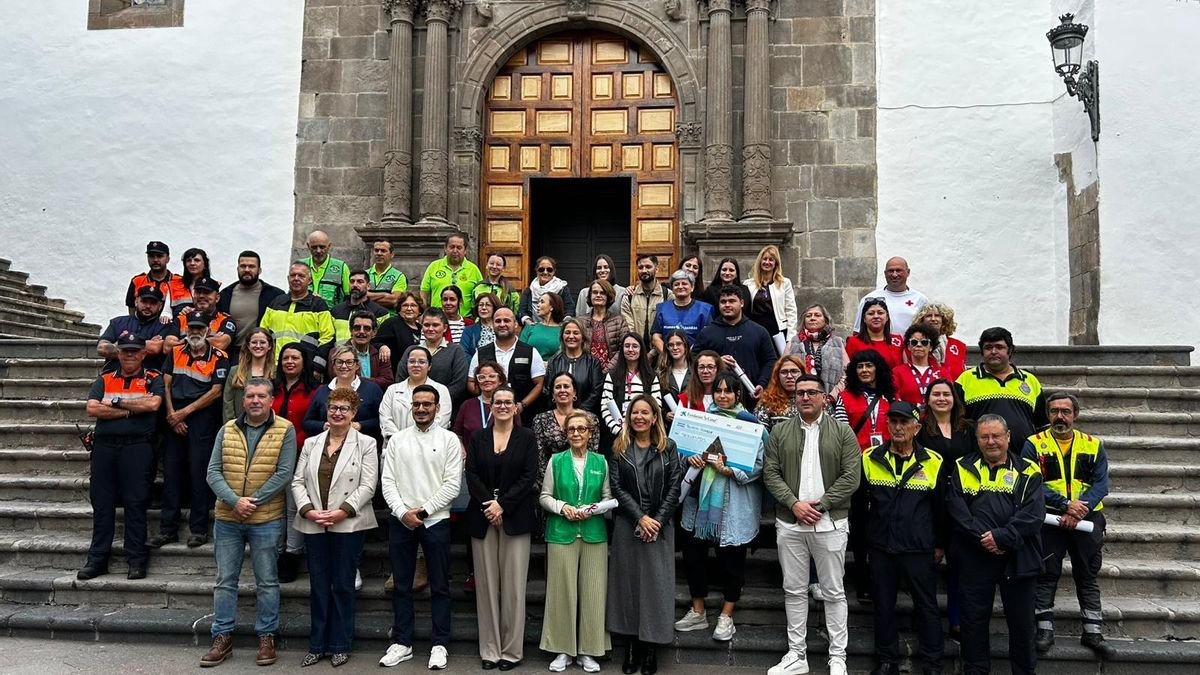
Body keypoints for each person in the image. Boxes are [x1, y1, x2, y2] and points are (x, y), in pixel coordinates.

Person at [764, 375, 861, 675]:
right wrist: (794, 504)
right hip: (790, 523)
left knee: (833, 591)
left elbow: (851, 476)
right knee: (793, 590)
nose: (805, 397)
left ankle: (837, 657)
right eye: (800, 393)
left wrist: (822, 505)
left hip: (830, 522)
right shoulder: (780, 432)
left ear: (824, 397)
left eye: (811, 392)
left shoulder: (843, 432)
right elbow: (771, 474)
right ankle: (797, 655)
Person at [201, 378, 297, 667]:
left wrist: (251, 500)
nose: (255, 401)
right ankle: (222, 637)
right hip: (228, 518)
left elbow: (284, 473)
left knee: (267, 581)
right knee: (224, 581)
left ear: (271, 400)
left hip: (266, 519)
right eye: (250, 396)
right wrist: (235, 501)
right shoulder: (227, 429)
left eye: (261, 396)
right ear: (243, 401)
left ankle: (267, 636)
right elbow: (213, 472)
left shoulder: (285, 429)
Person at [947, 415, 1045, 675]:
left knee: (1022, 624)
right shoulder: (962, 466)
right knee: (973, 622)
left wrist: (1003, 538)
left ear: (1008, 437)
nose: (991, 442)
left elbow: (1033, 515)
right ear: (977, 439)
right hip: (974, 556)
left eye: (996, 436)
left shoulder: (1028, 469)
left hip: (1018, 556)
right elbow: (958, 512)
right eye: (984, 437)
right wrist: (986, 539)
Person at [1022, 392, 1114, 659]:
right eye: (1054, 411)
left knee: (1087, 575)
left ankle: (1093, 632)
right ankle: (1044, 630)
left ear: (1075, 415)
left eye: (1065, 411)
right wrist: (1065, 505)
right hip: (1049, 518)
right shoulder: (1033, 444)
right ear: (1047, 414)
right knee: (1047, 574)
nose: (1059, 416)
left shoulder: (1093, 444)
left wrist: (1079, 508)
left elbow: (1101, 485)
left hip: (1088, 519)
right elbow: (1032, 481)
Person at [675, 372, 766, 642]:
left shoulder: (750, 425)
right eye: (718, 391)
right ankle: (698, 610)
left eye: (728, 391)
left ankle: (727, 615)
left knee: (732, 561)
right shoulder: (701, 421)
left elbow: (758, 465)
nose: (723, 396)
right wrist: (688, 459)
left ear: (738, 394)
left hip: (734, 503)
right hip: (699, 503)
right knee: (693, 556)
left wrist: (730, 471)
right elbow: (679, 452)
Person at [292, 387, 379, 667]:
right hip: (314, 521)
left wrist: (343, 512)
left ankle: (340, 643)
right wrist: (309, 511)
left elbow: (368, 485)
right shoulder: (311, 443)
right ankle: (317, 644)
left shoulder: (365, 443)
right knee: (318, 585)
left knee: (342, 584)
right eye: (333, 408)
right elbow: (297, 481)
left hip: (349, 523)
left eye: (344, 409)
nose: (337, 413)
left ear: (354, 414)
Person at [858, 401, 945, 675]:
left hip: (919, 548)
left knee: (927, 607)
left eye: (904, 422)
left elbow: (941, 508)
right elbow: (860, 507)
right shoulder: (869, 457)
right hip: (882, 546)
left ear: (916, 427)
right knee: (883, 606)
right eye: (893, 421)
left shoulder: (934, 461)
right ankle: (887, 661)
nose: (897, 427)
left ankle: (932, 664)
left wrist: (940, 543)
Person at [379, 385, 462, 670]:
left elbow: (452, 484)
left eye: (427, 404)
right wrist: (403, 512)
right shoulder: (398, 440)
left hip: (435, 520)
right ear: (411, 407)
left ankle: (439, 644)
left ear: (437, 408)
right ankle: (402, 642)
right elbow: (387, 481)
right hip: (401, 521)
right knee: (402, 585)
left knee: (440, 585)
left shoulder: (450, 439)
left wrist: (424, 511)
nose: (422, 409)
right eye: (417, 404)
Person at [606, 395, 682, 675]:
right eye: (634, 412)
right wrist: (640, 517)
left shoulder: (668, 447)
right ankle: (630, 646)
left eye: (645, 412)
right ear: (629, 418)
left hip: (660, 529)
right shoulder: (619, 447)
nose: (639, 417)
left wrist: (657, 521)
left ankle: (650, 649)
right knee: (627, 586)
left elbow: (675, 487)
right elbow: (616, 487)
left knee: (655, 587)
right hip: (629, 525)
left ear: (654, 417)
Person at [465, 386, 539, 670]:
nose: (503, 406)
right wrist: (489, 504)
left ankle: (511, 651)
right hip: (483, 518)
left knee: (513, 588)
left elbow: (529, 475)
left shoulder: (527, 437)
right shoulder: (478, 437)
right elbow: (471, 473)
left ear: (516, 406)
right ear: (491, 406)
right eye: (498, 402)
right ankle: (490, 649)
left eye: (508, 402)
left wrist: (503, 505)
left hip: (515, 518)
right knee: (486, 588)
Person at [79, 335, 163, 581]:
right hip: (104, 449)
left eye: (134, 351)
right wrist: (130, 409)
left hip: (137, 449)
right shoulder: (104, 378)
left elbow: (154, 405)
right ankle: (97, 560)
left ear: (143, 354)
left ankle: (136, 559)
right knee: (102, 504)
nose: (129, 355)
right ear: (118, 353)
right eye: (125, 351)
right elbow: (92, 408)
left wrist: (114, 403)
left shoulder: (153, 378)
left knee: (136, 503)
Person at [540, 410, 611, 673]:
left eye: (582, 429)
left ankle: (589, 651)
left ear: (590, 433)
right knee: (561, 592)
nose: (577, 434)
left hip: (594, 533)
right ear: (566, 434)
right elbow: (545, 496)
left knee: (593, 593)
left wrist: (594, 508)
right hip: (561, 532)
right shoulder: (556, 461)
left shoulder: (601, 461)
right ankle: (562, 649)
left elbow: (608, 498)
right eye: (572, 430)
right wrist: (562, 507)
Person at [151, 313, 230, 549]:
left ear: (207, 330)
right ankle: (168, 529)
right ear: (186, 328)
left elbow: (216, 391)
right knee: (172, 475)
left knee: (199, 474)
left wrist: (184, 414)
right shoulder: (175, 352)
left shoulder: (219, 356)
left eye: (200, 328)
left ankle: (198, 530)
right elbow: (165, 384)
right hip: (173, 415)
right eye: (192, 327)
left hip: (201, 418)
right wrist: (172, 414)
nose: (195, 332)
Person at [834, 349, 896, 601]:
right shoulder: (845, 397)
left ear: (877, 369)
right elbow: (840, 433)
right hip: (858, 466)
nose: (864, 371)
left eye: (869, 366)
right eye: (860, 367)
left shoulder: (891, 397)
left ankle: (885, 576)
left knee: (885, 521)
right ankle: (863, 578)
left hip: (887, 466)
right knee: (860, 524)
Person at [915, 378, 974, 642]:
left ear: (954, 399)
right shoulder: (920, 430)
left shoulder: (968, 429)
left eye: (946, 394)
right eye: (935, 394)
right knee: (930, 562)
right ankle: (927, 623)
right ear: (927, 399)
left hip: (964, 502)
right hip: (929, 502)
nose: (941, 398)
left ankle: (958, 620)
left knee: (960, 566)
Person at [957, 326, 1048, 454]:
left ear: (1010, 350)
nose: (993, 351)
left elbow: (1042, 425)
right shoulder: (965, 380)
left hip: (1023, 460)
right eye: (988, 347)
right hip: (978, 461)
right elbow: (956, 423)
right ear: (982, 352)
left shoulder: (1029, 381)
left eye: (999, 347)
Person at [272, 343, 320, 584]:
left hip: (301, 453)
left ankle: (292, 553)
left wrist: (290, 444)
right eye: (285, 358)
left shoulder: (314, 390)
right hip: (271, 455)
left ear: (304, 362)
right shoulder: (273, 388)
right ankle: (275, 551)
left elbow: (313, 423)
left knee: (294, 506)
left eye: (295, 358)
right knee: (275, 506)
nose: (289, 362)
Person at [693, 285, 778, 398]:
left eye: (732, 301)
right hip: (717, 398)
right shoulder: (707, 333)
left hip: (751, 395)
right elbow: (694, 358)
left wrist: (762, 384)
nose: (727, 305)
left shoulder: (759, 331)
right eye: (723, 301)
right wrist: (716, 362)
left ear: (742, 303)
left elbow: (770, 360)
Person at [469, 307, 545, 422]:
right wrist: (486, 400)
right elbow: (470, 382)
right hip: (488, 416)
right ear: (493, 324)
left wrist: (522, 405)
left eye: (507, 320)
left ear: (515, 324)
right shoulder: (480, 353)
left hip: (523, 417)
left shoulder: (530, 352)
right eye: (498, 321)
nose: (502, 324)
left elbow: (539, 384)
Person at [260, 262, 336, 374]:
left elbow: (327, 337)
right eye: (293, 275)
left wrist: (317, 366)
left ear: (309, 280)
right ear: (288, 278)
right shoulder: (276, 302)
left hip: (305, 369)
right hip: (274, 366)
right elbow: (263, 332)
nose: (296, 278)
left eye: (301, 276)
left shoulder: (318, 305)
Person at [303, 344, 384, 442]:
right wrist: (324, 426)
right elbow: (307, 423)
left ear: (357, 365)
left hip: (362, 446)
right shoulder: (322, 391)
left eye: (349, 362)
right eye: (339, 362)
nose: (344, 366)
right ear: (333, 365)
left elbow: (382, 420)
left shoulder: (372, 389)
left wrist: (360, 425)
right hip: (327, 445)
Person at [217, 250, 285, 356]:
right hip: (232, 354)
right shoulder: (225, 295)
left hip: (262, 353)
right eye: (243, 266)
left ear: (259, 270)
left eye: (251, 266)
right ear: (237, 269)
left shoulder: (275, 295)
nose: (247, 270)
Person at [380, 345, 453, 438]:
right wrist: (400, 441)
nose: (416, 365)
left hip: (430, 445)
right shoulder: (392, 390)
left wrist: (418, 440)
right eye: (412, 361)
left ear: (429, 366)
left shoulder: (441, 390)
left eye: (422, 362)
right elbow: (385, 419)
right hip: (396, 446)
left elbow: (442, 420)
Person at [601, 333, 662, 440]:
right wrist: (618, 430)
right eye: (627, 346)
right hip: (619, 435)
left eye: (635, 346)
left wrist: (645, 430)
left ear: (641, 350)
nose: (630, 349)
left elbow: (657, 406)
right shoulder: (612, 375)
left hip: (645, 434)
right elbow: (605, 405)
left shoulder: (651, 376)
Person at [97, 285, 172, 373]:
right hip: (113, 375)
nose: (148, 306)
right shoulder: (117, 322)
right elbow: (101, 348)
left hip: (149, 379)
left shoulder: (164, 325)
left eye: (153, 303)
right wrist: (145, 344)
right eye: (144, 301)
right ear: (136, 301)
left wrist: (120, 344)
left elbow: (154, 348)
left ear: (160, 306)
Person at [851, 256, 929, 333]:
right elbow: (857, 332)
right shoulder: (869, 299)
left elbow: (929, 330)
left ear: (908, 272)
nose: (894, 275)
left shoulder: (920, 299)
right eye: (891, 271)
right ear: (885, 273)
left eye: (898, 270)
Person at [785, 303, 847, 399]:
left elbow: (847, 374)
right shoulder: (793, 342)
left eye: (817, 315)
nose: (812, 318)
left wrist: (832, 396)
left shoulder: (837, 342)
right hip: (800, 400)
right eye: (808, 316)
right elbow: (783, 371)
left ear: (825, 320)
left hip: (830, 401)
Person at [413, 308, 469, 411]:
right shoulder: (411, 351)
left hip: (445, 408)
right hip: (414, 407)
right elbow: (401, 380)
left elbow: (459, 384)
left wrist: (433, 402)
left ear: (445, 328)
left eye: (435, 325)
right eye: (426, 325)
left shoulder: (456, 351)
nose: (430, 329)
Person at [544, 318, 604, 414]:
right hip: (558, 414)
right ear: (562, 337)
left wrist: (577, 413)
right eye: (567, 332)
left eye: (576, 333)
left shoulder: (593, 362)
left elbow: (596, 392)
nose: (571, 336)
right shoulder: (554, 361)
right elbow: (547, 389)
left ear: (583, 337)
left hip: (585, 416)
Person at [743, 244, 799, 345]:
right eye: (764, 259)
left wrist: (790, 337)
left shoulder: (784, 283)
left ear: (776, 263)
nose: (767, 262)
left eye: (771, 259)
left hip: (777, 329)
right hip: (755, 329)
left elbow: (791, 311)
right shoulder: (748, 284)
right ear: (760, 261)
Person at [164, 276, 236, 353]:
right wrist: (206, 339)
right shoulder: (182, 318)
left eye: (206, 292)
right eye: (198, 292)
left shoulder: (225, 320)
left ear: (217, 298)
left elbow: (220, 344)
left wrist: (182, 341)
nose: (201, 296)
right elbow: (167, 348)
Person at [421, 232, 483, 317]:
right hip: (437, 320)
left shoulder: (473, 269)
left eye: (459, 247)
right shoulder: (434, 266)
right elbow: (424, 294)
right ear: (445, 248)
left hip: (465, 321)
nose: (455, 251)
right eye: (452, 247)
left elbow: (480, 297)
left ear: (465, 250)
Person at [650, 270, 713, 352]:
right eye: (676, 284)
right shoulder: (662, 308)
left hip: (695, 359)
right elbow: (656, 337)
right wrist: (668, 355)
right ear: (672, 289)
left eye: (684, 283)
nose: (680, 286)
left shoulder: (705, 310)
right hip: (667, 360)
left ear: (692, 287)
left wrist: (689, 355)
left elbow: (707, 337)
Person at [125, 240, 190, 316]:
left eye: (159, 256)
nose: (155, 260)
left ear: (168, 259)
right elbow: (132, 311)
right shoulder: (137, 281)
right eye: (151, 256)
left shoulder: (180, 281)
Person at [223, 327, 274, 422]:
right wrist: (231, 427)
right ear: (248, 345)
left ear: (269, 346)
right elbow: (227, 403)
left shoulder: (276, 372)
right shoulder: (235, 371)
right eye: (254, 342)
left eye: (262, 342)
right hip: (239, 426)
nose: (258, 346)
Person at [454, 361, 507, 447]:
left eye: (492, 376)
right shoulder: (467, 405)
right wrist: (462, 452)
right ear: (477, 381)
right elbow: (457, 435)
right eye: (482, 377)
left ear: (500, 380)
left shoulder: (508, 406)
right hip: (471, 457)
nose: (487, 380)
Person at [621, 253, 668, 350]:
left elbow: (668, 328)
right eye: (640, 267)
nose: (644, 270)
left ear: (657, 269)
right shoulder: (629, 297)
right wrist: (639, 351)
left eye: (648, 267)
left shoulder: (667, 295)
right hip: (636, 352)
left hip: (661, 353)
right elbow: (629, 329)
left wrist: (653, 353)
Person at [340, 311, 395, 391]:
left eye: (367, 328)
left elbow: (387, 381)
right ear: (351, 330)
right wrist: (373, 381)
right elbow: (341, 379)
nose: (362, 331)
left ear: (374, 332)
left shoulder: (381, 354)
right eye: (357, 327)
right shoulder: (338, 353)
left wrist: (358, 380)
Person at [912, 302, 968, 381]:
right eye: (929, 316)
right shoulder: (914, 344)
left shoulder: (959, 345)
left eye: (937, 316)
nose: (933, 319)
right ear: (922, 320)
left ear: (944, 320)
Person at [331, 269, 390, 342]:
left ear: (368, 286)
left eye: (360, 282)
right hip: (338, 352)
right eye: (352, 281)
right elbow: (329, 338)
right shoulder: (336, 310)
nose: (355, 285)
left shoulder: (380, 313)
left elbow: (382, 340)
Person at [894, 323, 945, 406]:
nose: (919, 345)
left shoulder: (942, 372)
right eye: (914, 342)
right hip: (907, 417)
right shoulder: (897, 372)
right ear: (909, 346)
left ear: (931, 347)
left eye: (924, 342)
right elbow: (894, 398)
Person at [846, 297, 904, 370]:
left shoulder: (897, 341)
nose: (876, 316)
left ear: (887, 317)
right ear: (864, 318)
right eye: (871, 313)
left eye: (880, 313)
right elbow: (849, 369)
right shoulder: (853, 341)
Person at [373, 292, 424, 375]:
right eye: (405, 305)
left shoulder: (422, 328)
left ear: (419, 310)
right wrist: (382, 346)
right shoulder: (392, 323)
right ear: (399, 308)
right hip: (396, 374)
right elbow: (375, 342)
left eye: (413, 305)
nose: (409, 308)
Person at [584, 278, 628, 369]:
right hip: (586, 373)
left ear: (608, 296)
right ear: (590, 296)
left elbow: (623, 348)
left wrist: (608, 369)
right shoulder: (581, 321)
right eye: (595, 292)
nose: (598, 295)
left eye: (602, 293)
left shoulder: (619, 321)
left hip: (612, 374)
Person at [756, 355, 807, 429]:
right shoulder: (766, 403)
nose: (789, 376)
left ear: (803, 374)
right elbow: (760, 434)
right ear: (777, 376)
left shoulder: (816, 400)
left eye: (794, 371)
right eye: (784, 372)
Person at [519, 256, 573, 327]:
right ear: (536, 270)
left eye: (549, 270)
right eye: (541, 269)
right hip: (533, 328)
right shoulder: (529, 290)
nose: (545, 272)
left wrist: (563, 324)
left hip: (556, 329)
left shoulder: (562, 289)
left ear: (554, 271)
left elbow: (570, 309)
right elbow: (522, 310)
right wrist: (528, 321)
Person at [303, 230, 351, 306]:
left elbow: (349, 296)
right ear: (308, 246)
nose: (318, 251)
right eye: (314, 247)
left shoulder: (341, 267)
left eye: (322, 247)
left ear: (329, 246)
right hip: (304, 314)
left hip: (331, 315)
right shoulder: (301, 265)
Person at [520, 291, 566, 361]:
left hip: (554, 370)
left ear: (551, 307)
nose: (538, 305)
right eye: (538, 302)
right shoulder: (530, 327)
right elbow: (519, 353)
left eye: (542, 302)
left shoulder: (563, 331)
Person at [366, 239, 408, 311]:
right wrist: (385, 295)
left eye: (383, 251)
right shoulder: (363, 274)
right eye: (376, 250)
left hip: (388, 318)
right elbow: (357, 297)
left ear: (392, 254)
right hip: (366, 319)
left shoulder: (399, 276)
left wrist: (367, 297)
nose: (379, 253)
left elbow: (394, 300)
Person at [657, 329, 692, 405]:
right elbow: (656, 401)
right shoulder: (661, 373)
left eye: (679, 344)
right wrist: (665, 414)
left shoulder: (696, 371)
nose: (675, 348)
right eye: (671, 345)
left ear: (685, 346)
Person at [460, 291, 498, 361]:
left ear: (494, 308)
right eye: (481, 305)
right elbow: (463, 353)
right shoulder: (469, 331)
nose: (483, 308)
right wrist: (476, 366)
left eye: (488, 305)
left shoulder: (500, 329)